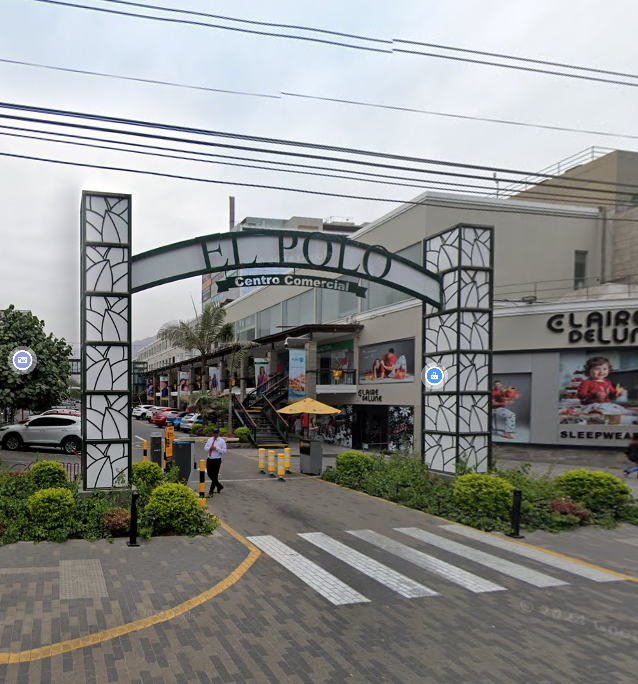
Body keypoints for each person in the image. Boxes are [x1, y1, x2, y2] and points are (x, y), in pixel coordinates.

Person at [204, 427, 227, 495]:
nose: (215, 434)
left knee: (215, 476)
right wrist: (210, 448)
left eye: (216, 433)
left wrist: (217, 448)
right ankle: (219, 486)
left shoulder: (221, 441)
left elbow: (224, 451)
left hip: (217, 460)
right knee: (209, 474)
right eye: (214, 433)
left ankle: (211, 490)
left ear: (219, 433)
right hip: (210, 458)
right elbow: (205, 448)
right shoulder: (210, 440)